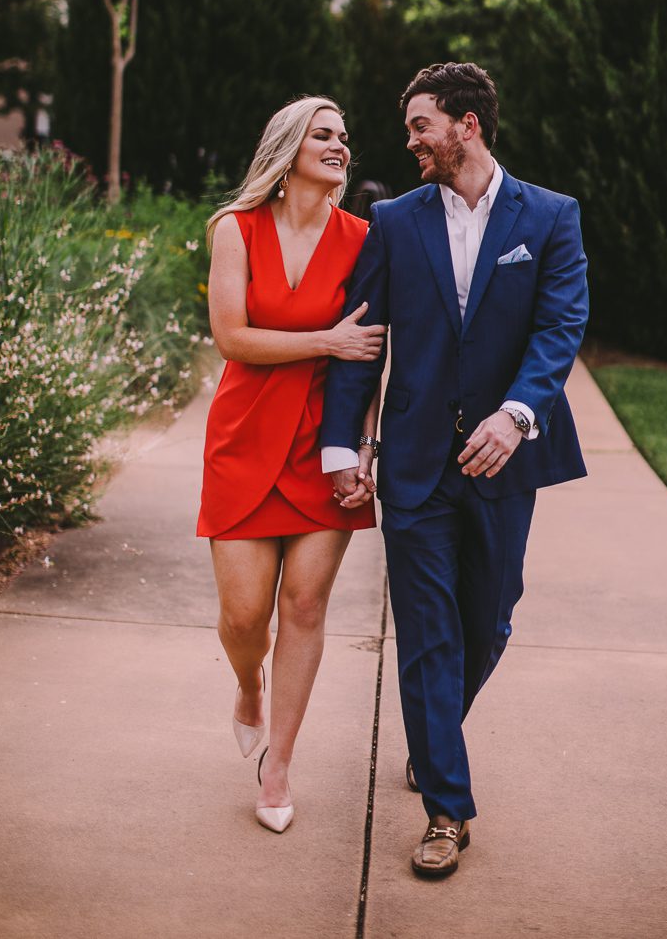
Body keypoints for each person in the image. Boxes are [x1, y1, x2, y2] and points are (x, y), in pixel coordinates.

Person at [321, 62, 588, 878]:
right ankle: (446, 809)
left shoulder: (550, 217)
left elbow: (559, 327)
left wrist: (518, 414)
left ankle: (435, 732)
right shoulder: (393, 222)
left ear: (467, 125)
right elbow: (363, 343)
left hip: (505, 458)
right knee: (427, 634)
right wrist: (343, 448)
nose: (410, 141)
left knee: (490, 619)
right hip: (415, 462)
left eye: (421, 125)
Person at [198, 95, 384, 835]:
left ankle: (278, 764)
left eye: (344, 135)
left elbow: (369, 357)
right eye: (323, 134)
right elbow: (231, 338)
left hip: (322, 445)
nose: (340, 145)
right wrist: (324, 343)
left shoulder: (365, 239)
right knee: (246, 617)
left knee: (304, 606)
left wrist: (363, 447)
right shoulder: (236, 229)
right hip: (244, 438)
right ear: (288, 148)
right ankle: (249, 683)